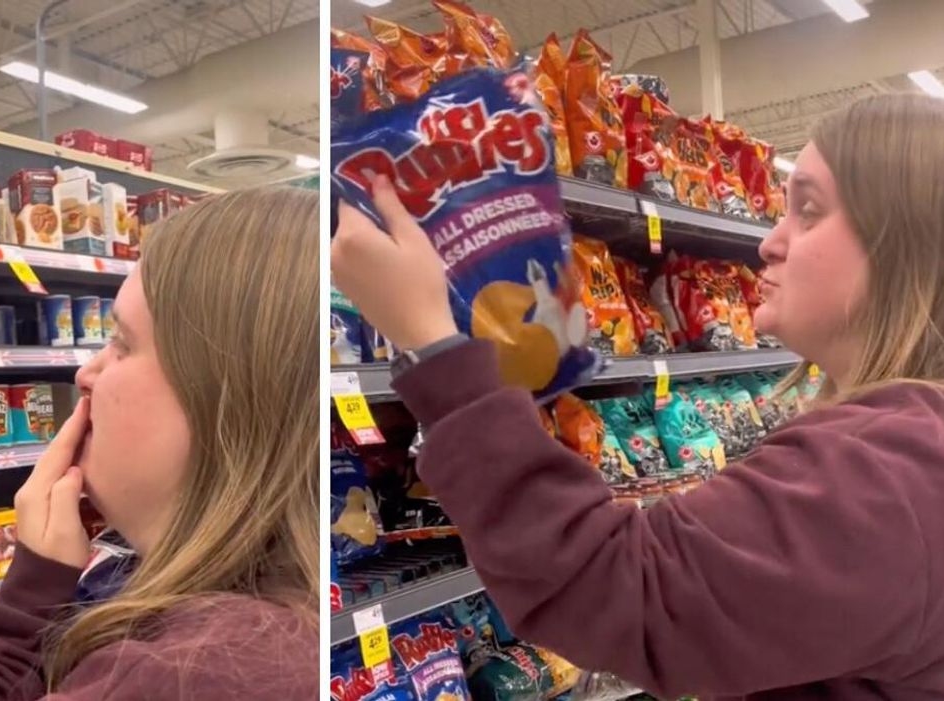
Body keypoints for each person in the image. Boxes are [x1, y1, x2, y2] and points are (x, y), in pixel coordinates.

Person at [331, 93, 944, 700]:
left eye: (807, 210)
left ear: (907, 241)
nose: (769, 243)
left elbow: (613, 587)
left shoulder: (889, 474)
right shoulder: (909, 449)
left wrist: (432, 343)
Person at [0, 187, 320, 700]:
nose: (85, 374)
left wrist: (26, 599)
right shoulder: (281, 615)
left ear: (224, 396)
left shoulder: (184, 675)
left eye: (121, 343)